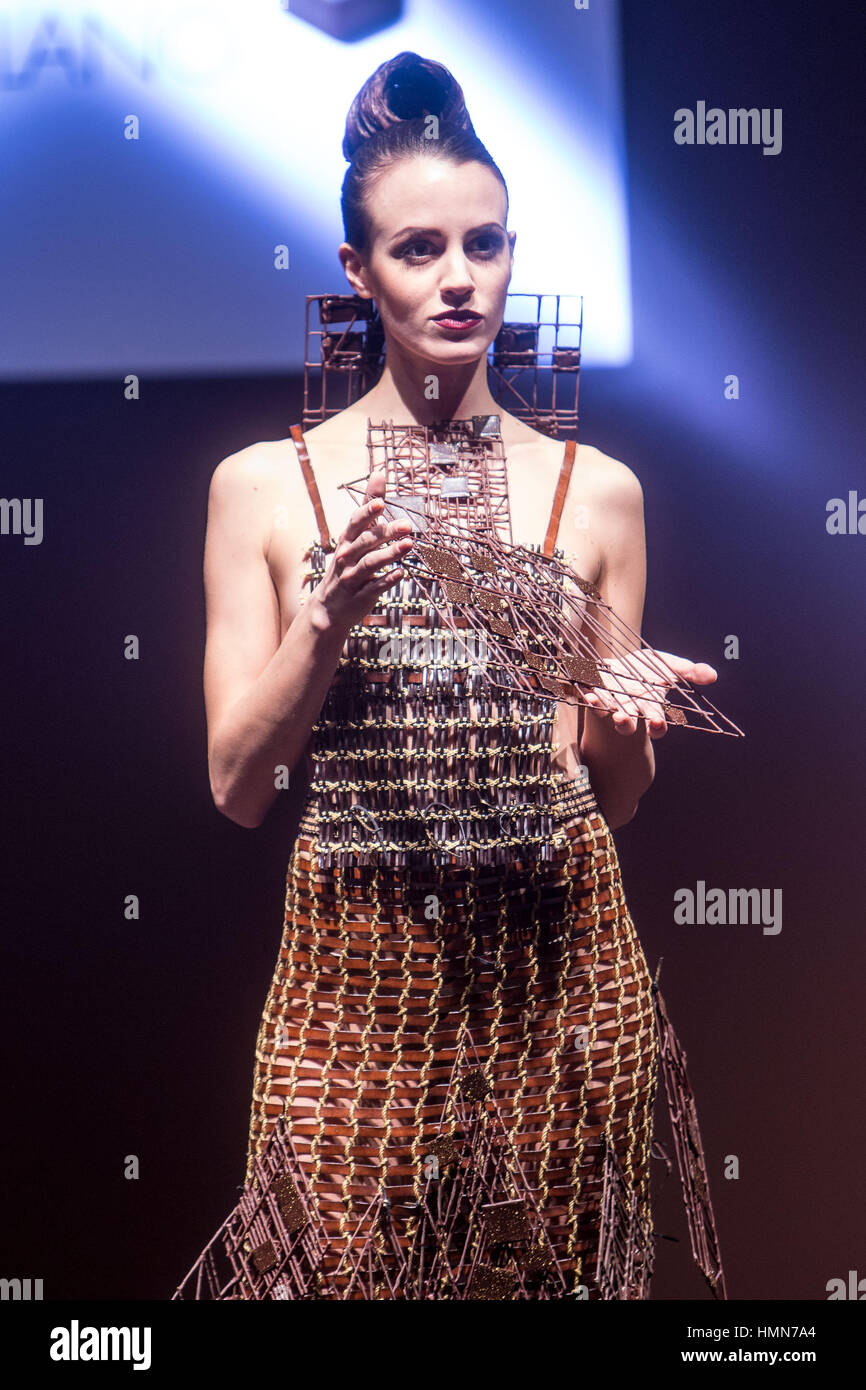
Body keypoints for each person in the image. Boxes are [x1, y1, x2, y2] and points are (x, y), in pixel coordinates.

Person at [201, 51, 718, 1300]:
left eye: (482, 246)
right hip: (353, 969)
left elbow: (619, 793)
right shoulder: (266, 488)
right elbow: (236, 783)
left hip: (557, 969)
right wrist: (321, 624)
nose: (457, 278)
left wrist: (619, 715)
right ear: (357, 271)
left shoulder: (594, 492)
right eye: (418, 248)